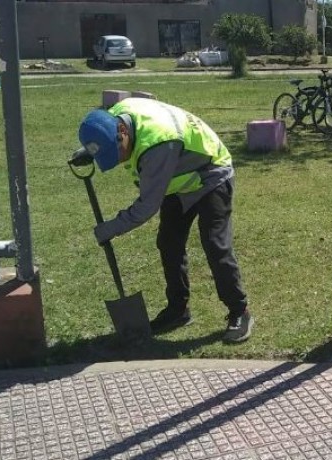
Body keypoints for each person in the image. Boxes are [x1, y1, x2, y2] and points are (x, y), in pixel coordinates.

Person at [76, 97, 252, 342]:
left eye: (118, 153)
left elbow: (147, 206)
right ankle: (178, 310)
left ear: (123, 131)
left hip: (211, 174)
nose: (121, 160)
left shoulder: (158, 144)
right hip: (178, 179)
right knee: (169, 242)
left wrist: (111, 228)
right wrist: (91, 151)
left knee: (215, 243)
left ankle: (240, 311)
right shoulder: (115, 117)